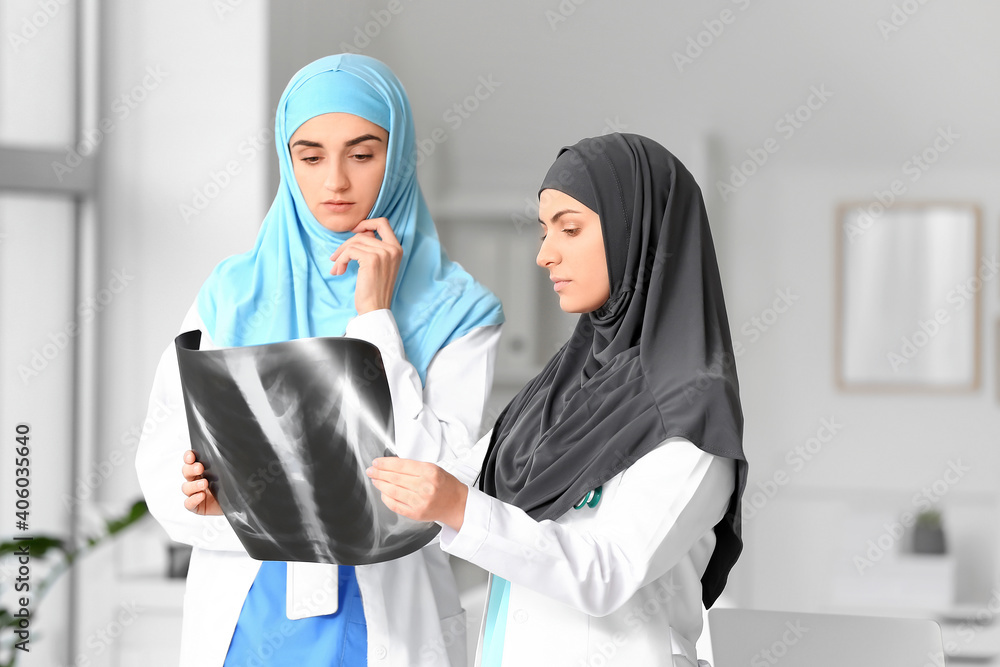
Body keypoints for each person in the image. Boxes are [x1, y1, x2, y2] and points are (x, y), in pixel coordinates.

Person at [134, 54, 504, 667]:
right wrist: (199, 494)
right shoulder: (231, 294)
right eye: (310, 157)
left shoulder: (457, 309)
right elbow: (163, 459)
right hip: (247, 611)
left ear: (400, 154)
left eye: (362, 155)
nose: (335, 181)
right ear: (288, 161)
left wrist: (375, 318)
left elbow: (442, 483)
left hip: (386, 613)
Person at [367, 133, 747, 666]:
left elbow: (606, 572)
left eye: (569, 228)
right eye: (546, 231)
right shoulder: (555, 391)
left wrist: (458, 506)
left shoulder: (690, 414)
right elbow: (437, 484)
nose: (545, 255)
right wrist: (247, 500)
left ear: (638, 234)